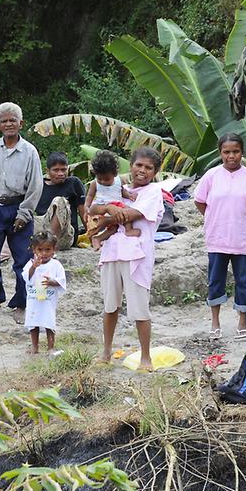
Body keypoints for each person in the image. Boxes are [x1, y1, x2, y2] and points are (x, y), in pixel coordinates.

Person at [93, 147, 165, 370]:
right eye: (138, 165)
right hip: (112, 252)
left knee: (140, 308)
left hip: (137, 256)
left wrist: (107, 217)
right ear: (130, 165)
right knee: (110, 306)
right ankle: (106, 352)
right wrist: (106, 213)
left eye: (148, 168)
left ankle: (146, 357)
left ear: (155, 173)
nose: (142, 170)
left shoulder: (153, 192)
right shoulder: (116, 188)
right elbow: (94, 210)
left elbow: (131, 214)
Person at [195, 133, 246, 341]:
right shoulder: (211, 176)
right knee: (215, 281)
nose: (231, 156)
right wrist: (214, 218)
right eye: (226, 152)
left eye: (235, 152)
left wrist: (243, 220)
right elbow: (200, 201)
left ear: (242, 152)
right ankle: (215, 322)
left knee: (242, 280)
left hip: (242, 239)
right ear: (220, 153)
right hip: (217, 238)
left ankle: (242, 323)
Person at [0, 102, 43, 324]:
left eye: (12, 120)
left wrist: (24, 214)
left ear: (21, 123)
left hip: (19, 207)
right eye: (4, 121)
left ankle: (21, 303)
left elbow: (35, 186)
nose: (8, 124)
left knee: (23, 259)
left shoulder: (30, 151)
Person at [23, 231, 67, 355]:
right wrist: (33, 267)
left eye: (48, 250)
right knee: (33, 322)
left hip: (48, 300)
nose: (44, 253)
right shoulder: (31, 264)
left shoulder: (56, 265)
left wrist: (52, 282)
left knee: (49, 321)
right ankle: (35, 346)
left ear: (54, 250)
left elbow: (62, 280)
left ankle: (50, 347)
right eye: (40, 250)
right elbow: (26, 277)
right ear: (34, 250)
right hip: (34, 299)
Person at [85, 150, 139, 250]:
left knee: (114, 228)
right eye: (99, 178)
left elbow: (122, 191)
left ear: (114, 174)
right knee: (126, 211)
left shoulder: (119, 180)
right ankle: (129, 229)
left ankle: (98, 239)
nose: (102, 181)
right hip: (101, 207)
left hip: (116, 208)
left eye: (106, 179)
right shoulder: (94, 183)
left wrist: (130, 195)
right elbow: (90, 195)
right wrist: (86, 207)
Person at [34, 152, 86, 250]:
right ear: (48, 171)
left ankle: (49, 245)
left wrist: (93, 236)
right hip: (42, 230)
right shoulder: (39, 186)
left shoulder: (73, 183)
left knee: (59, 201)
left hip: (64, 235)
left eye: (63, 170)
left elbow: (83, 212)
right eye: (56, 170)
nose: (60, 174)